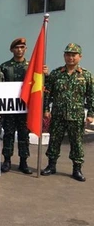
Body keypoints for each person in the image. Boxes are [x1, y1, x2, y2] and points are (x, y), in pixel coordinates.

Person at [41, 43, 94, 182]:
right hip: (58, 114)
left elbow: (91, 96)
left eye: (73, 55)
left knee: (76, 143)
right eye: (68, 54)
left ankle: (77, 169)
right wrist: (46, 109)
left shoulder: (86, 75)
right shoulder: (56, 73)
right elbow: (47, 93)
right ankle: (51, 166)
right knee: (54, 141)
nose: (70, 57)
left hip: (76, 116)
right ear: (64, 56)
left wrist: (90, 114)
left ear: (80, 57)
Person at [0, 38, 33, 174]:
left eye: (22, 47)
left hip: (25, 108)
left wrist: (45, 74)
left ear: (26, 49)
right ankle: (7, 161)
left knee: (24, 135)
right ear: (12, 50)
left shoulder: (31, 66)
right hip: (9, 107)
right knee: (8, 134)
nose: (19, 50)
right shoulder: (5, 67)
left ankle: (23, 162)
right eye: (17, 47)